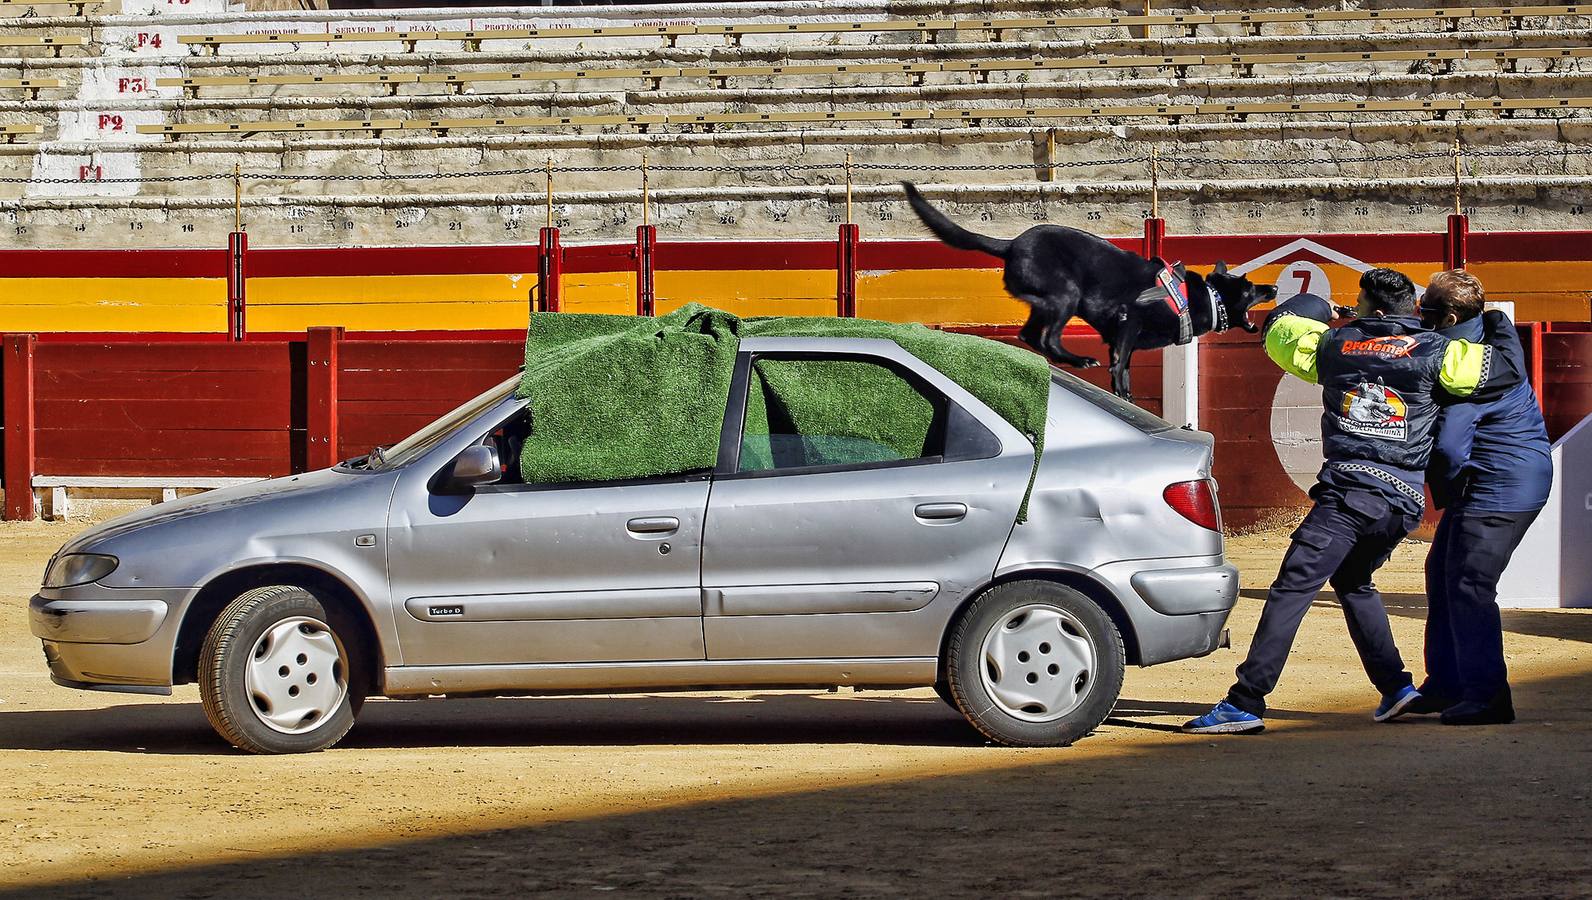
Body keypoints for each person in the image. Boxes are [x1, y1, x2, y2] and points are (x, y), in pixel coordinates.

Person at [1183, 269, 1494, 734]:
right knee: (1353, 580)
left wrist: (1323, 313)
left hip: (1350, 494)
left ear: (1372, 309)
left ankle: (1245, 702)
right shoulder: (1440, 352)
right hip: (1404, 501)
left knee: (1291, 589)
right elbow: (1490, 365)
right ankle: (1396, 687)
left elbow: (1280, 330)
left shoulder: (1335, 346)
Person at [1404, 270, 1551, 725]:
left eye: (1425, 310)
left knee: (1469, 584)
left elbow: (1449, 447)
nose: (1419, 316)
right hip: (1500, 479)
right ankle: (1448, 683)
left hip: (1499, 488)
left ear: (1447, 316)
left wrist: (1440, 489)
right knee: (1443, 572)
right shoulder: (1489, 338)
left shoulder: (1468, 366)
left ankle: (1487, 697)